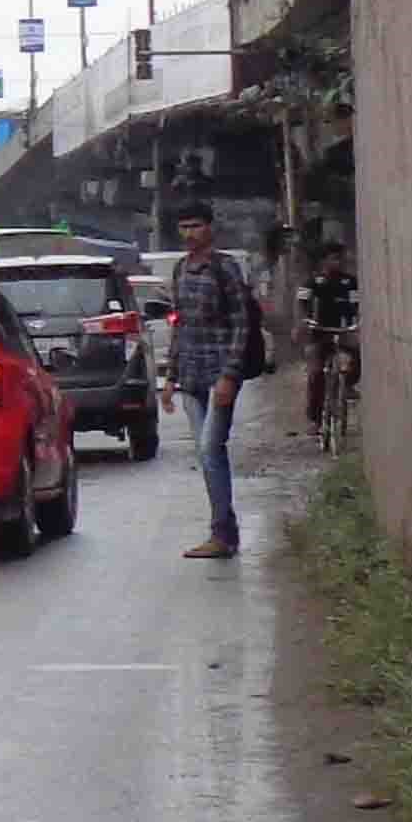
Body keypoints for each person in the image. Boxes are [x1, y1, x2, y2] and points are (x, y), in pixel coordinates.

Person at [167, 201, 266, 559]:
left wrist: (230, 375)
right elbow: (180, 325)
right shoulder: (180, 270)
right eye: (184, 226)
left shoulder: (224, 268)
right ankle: (225, 531)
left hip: (219, 374)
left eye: (195, 225)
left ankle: (222, 534)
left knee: (211, 450)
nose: (189, 233)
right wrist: (170, 377)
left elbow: (242, 324)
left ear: (209, 228)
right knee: (205, 454)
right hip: (191, 376)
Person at [302, 242, 362, 427]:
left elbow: (356, 304)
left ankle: (348, 385)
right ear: (324, 261)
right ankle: (315, 419)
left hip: (343, 331)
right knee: (316, 373)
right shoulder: (312, 282)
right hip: (319, 333)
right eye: (334, 258)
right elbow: (302, 303)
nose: (338, 262)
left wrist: (355, 324)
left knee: (356, 358)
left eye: (340, 258)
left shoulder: (350, 282)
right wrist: (305, 321)